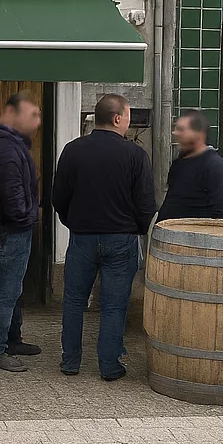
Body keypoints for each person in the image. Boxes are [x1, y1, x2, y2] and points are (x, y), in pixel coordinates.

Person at [53, 94, 155, 382]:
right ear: (118, 118)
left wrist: (72, 221)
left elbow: (58, 196)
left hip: (82, 237)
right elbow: (145, 204)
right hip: (121, 239)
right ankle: (109, 365)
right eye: (128, 116)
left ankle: (70, 361)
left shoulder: (73, 151)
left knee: (73, 300)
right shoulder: (135, 155)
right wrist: (136, 228)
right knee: (114, 304)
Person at [0, 93, 44, 373]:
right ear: (10, 114)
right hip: (9, 232)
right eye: (33, 114)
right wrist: (30, 216)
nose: (37, 121)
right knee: (6, 291)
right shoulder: (8, 150)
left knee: (11, 289)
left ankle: (12, 339)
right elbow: (12, 197)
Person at [155, 109, 223, 223]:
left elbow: (221, 211)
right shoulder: (179, 163)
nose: (175, 133)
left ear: (199, 134)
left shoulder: (213, 165)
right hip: (171, 235)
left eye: (181, 129)